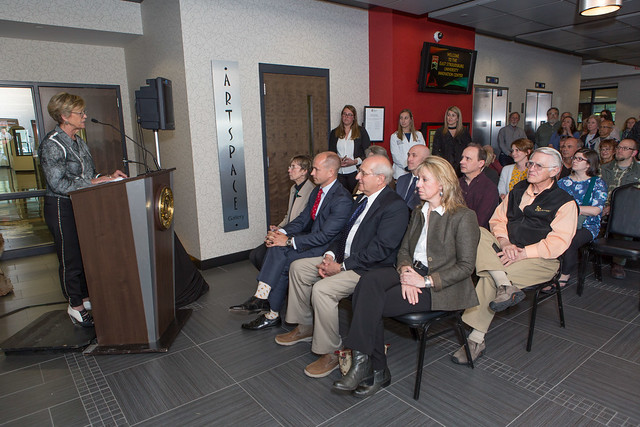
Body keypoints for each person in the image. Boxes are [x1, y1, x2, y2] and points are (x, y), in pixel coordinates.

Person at [332, 156, 480, 397]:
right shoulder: (420, 210)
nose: (417, 184)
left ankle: (373, 368)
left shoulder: (463, 217)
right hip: (412, 271)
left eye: (423, 179)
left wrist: (424, 282)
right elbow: (403, 250)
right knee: (367, 283)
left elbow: (466, 267)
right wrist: (405, 272)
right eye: (418, 179)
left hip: (441, 285)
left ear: (442, 183)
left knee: (371, 302)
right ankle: (364, 363)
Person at [276, 155, 409, 378]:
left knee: (322, 290)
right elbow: (342, 235)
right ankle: (306, 326)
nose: (357, 177)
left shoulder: (395, 206)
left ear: (380, 179)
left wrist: (342, 266)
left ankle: (330, 351)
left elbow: (381, 250)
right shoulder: (360, 199)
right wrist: (329, 256)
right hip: (342, 259)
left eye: (363, 173)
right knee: (298, 267)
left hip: (367, 268)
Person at [452, 147, 578, 364]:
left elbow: (558, 243)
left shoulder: (565, 202)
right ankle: (505, 285)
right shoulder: (518, 190)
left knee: (487, 276)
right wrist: (505, 242)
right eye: (531, 163)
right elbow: (497, 220)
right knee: (476, 230)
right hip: (506, 249)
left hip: (540, 260)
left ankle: (476, 339)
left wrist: (523, 253)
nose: (532, 168)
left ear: (555, 170)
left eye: (539, 165)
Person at [230, 152, 352, 329]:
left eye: (316, 169)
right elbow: (303, 220)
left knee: (283, 257)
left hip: (326, 248)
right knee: (276, 247)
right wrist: (280, 232)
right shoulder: (318, 191)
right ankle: (263, 300)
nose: (312, 173)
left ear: (331, 172)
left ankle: (269, 310)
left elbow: (325, 236)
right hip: (312, 240)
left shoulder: (342, 199)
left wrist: (288, 241)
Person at [39, 92, 127, 327]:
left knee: (86, 253)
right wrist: (95, 181)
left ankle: (86, 298)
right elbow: (58, 184)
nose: (85, 116)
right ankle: (75, 305)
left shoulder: (80, 141)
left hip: (83, 204)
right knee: (70, 257)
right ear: (65, 116)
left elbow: (88, 176)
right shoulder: (52, 144)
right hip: (61, 206)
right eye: (81, 113)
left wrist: (107, 178)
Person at [249, 155, 315, 270]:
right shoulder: (294, 188)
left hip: (298, 234)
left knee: (261, 256)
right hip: (287, 231)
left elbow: (302, 222)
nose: (289, 170)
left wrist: (281, 233)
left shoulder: (312, 191)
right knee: (254, 255)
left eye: (293, 167)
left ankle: (274, 283)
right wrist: (277, 228)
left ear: (304, 171)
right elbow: (288, 216)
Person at [555, 149, 607, 290]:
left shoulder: (597, 183)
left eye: (579, 159)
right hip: (562, 222)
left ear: (589, 164)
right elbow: (553, 203)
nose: (574, 161)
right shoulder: (563, 182)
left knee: (569, 240)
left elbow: (596, 210)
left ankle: (564, 275)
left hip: (587, 225)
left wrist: (571, 208)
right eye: (574, 158)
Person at [600, 139, 640, 279]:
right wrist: (601, 206)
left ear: (634, 152)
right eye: (619, 147)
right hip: (601, 207)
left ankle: (618, 263)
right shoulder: (604, 168)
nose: (619, 150)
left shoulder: (638, 172)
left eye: (625, 148)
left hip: (625, 211)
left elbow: (635, 199)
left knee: (624, 219)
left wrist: (615, 207)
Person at [329, 105, 371, 193]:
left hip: (355, 171)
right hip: (339, 172)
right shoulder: (334, 132)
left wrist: (355, 161)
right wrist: (337, 160)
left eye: (349, 114)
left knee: (354, 197)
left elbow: (368, 152)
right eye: (344, 114)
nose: (346, 117)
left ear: (354, 118)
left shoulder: (361, 131)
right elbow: (331, 152)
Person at [459, 144, 500, 229]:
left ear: (480, 163)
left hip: (476, 235)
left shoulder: (489, 188)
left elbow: (480, 221)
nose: (462, 161)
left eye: (468, 159)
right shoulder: (456, 184)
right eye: (462, 158)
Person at [431, 106, 471, 176]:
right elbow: (435, 151)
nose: (450, 118)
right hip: (445, 169)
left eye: (453, 115)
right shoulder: (440, 132)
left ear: (458, 118)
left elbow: (469, 149)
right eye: (448, 115)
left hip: (461, 169)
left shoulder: (464, 132)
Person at [389, 109, 426, 179]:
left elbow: (423, 152)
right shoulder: (394, 136)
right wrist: (407, 166)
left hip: (417, 170)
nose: (403, 121)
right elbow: (395, 155)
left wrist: (415, 166)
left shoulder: (418, 135)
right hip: (401, 172)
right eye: (401, 118)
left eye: (406, 118)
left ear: (411, 119)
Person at [395, 144, 430, 210]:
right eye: (408, 155)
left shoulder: (429, 183)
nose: (409, 159)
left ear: (425, 159)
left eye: (414, 155)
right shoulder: (401, 180)